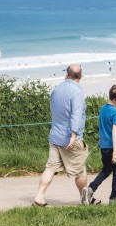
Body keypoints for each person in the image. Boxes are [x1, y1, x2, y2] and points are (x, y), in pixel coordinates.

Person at [33, 64, 92, 207]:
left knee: (51, 167)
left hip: (55, 136)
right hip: (70, 138)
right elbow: (76, 116)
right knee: (80, 171)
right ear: (81, 75)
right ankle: (84, 200)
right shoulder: (77, 92)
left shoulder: (56, 89)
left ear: (67, 74)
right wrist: (73, 136)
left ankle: (39, 196)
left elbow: (54, 111)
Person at [88, 84, 116, 204]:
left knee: (106, 170)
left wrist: (101, 140)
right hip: (114, 146)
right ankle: (113, 198)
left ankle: (91, 188)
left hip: (104, 146)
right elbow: (114, 131)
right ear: (115, 99)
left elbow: (101, 126)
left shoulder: (103, 109)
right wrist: (115, 152)